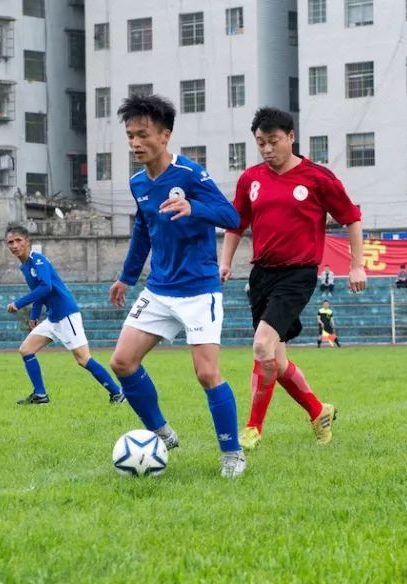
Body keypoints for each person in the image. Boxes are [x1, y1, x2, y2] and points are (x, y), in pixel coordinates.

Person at [109, 94, 246, 477]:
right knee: (122, 362)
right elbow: (143, 230)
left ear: (165, 135)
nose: (135, 143)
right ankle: (161, 432)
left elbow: (232, 216)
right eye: (130, 136)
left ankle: (232, 454)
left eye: (143, 134)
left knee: (206, 374)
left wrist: (194, 208)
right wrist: (126, 277)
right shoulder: (138, 182)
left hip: (199, 290)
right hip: (158, 290)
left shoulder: (190, 174)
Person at [220, 106, 367, 453]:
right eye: (260, 143)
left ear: (290, 137)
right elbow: (236, 224)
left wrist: (357, 265)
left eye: (273, 141)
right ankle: (318, 412)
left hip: (298, 274)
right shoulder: (250, 179)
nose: (267, 149)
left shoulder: (317, 178)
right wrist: (224, 263)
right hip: (262, 275)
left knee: (261, 345)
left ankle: (252, 428)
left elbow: (351, 217)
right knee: (277, 360)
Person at [5, 227, 124, 406]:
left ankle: (117, 393)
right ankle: (40, 395)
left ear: (27, 241)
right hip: (53, 317)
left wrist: (18, 303)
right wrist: (34, 315)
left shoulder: (37, 260)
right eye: (10, 242)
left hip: (66, 315)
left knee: (83, 359)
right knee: (26, 350)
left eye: (18, 240)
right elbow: (38, 291)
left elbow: (46, 287)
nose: (14, 245)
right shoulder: (25, 266)